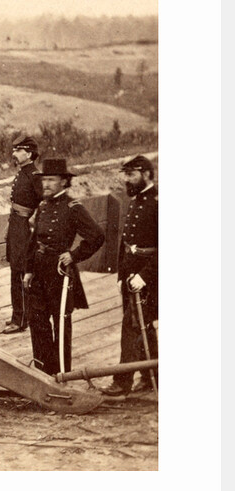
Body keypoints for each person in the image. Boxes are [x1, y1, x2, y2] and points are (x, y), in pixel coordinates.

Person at [23, 159, 104, 375]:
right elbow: (34, 241)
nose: (46, 184)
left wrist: (74, 255)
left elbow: (96, 236)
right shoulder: (42, 206)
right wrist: (28, 270)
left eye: (51, 180)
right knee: (37, 321)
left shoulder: (73, 208)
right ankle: (42, 372)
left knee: (61, 324)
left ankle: (61, 374)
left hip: (59, 271)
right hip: (39, 270)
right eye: (44, 180)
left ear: (64, 182)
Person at [102, 155, 158, 397]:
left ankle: (122, 381)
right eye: (125, 174)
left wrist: (144, 276)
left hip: (149, 276)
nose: (127, 179)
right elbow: (127, 242)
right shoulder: (136, 200)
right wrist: (120, 274)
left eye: (132, 174)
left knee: (131, 325)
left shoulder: (157, 203)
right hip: (130, 274)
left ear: (146, 174)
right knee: (142, 324)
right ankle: (152, 375)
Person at [2, 135, 42, 334]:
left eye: (18, 150)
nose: (14, 153)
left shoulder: (34, 175)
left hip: (25, 228)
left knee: (22, 271)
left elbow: (43, 203)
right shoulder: (23, 173)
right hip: (16, 225)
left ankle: (22, 319)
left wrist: (33, 222)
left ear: (29, 153)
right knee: (15, 270)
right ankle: (17, 316)